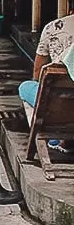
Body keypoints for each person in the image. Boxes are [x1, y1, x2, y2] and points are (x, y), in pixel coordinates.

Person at [19, 12, 74, 151]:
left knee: (25, 87)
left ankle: (56, 136)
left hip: (57, 102)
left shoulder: (52, 27)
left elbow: (38, 70)